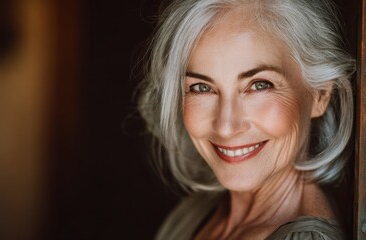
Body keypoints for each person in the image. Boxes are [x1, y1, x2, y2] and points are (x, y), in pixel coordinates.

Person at [137, 0, 355, 239]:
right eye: (201, 87)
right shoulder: (194, 213)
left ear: (319, 95)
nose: (226, 127)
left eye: (259, 85)